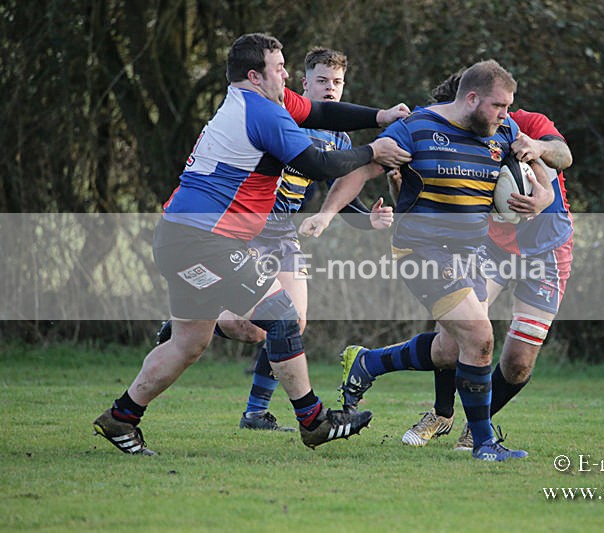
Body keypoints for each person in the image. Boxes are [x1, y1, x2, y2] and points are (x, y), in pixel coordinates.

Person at [91, 33, 411, 455]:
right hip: (202, 240)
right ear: (255, 75)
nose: (285, 75)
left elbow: (318, 111)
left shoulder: (262, 102)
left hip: (184, 236)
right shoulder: (262, 112)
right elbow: (317, 163)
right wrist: (374, 150)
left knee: (188, 343)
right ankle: (313, 421)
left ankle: (121, 418)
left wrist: (380, 114)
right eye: (279, 69)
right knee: (281, 315)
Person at [304, 60, 555, 461]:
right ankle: (484, 444)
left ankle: (368, 363)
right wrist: (326, 214)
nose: (506, 115)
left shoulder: (503, 131)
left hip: (469, 254)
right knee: (481, 337)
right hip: (420, 251)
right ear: (471, 98)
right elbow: (363, 168)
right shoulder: (417, 128)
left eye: (508, 107)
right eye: (499, 106)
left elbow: (543, 170)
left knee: (451, 350)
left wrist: (541, 197)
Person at [154, 47, 395, 433]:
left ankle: (255, 412)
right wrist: (373, 153)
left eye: (337, 83)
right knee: (254, 325)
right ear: (304, 83)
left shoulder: (339, 136)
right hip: (248, 227)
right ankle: (206, 321)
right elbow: (317, 164)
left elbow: (339, 193)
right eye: (321, 81)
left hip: (283, 231)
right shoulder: (280, 115)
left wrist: (368, 219)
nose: (330, 89)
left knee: (290, 323)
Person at [396, 71, 574, 450]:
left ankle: (479, 425)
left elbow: (564, 155)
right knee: (459, 335)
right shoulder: (451, 143)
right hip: (489, 248)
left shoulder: (524, 123)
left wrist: (538, 150)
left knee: (518, 363)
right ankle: (443, 415)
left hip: (546, 250)